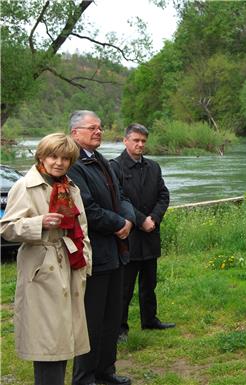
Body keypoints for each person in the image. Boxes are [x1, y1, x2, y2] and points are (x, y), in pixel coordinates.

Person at [0, 133, 91, 385]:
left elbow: (82, 226)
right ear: (41, 156)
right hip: (41, 270)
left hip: (69, 264)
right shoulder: (24, 186)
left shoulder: (70, 187)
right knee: (48, 343)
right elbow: (6, 228)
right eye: (53, 156)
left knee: (62, 339)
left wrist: (85, 261)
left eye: (65, 158)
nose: (58, 162)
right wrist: (39, 223)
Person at [67, 110, 135, 385]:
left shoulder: (103, 161)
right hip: (93, 253)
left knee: (112, 316)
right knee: (91, 320)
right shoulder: (72, 165)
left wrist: (129, 219)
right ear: (75, 133)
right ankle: (84, 377)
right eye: (92, 128)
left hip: (116, 252)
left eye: (100, 128)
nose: (98, 132)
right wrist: (118, 222)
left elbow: (122, 195)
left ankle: (106, 371)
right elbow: (86, 208)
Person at [109, 123, 174, 342]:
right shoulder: (115, 167)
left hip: (151, 233)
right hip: (129, 235)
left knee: (150, 283)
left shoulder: (153, 167)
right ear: (125, 140)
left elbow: (163, 195)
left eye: (143, 141)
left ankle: (150, 319)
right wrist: (140, 220)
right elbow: (118, 199)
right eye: (136, 140)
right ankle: (119, 328)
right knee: (124, 286)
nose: (140, 145)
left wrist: (154, 218)